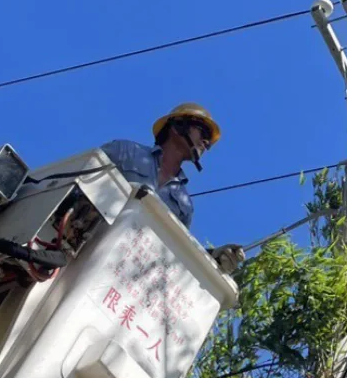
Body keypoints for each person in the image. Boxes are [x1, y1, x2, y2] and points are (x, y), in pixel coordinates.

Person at [101, 103, 244, 274]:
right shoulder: (126, 152)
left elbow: (172, 255)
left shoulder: (184, 206)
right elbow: (77, 179)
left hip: (121, 271)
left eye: (209, 143)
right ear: (178, 126)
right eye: (203, 132)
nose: (205, 143)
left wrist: (212, 258)